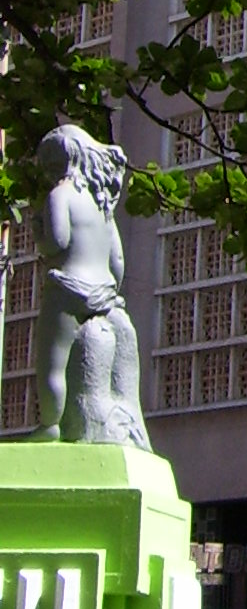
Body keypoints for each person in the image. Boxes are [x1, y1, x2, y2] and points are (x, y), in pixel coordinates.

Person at [32, 123, 149, 447]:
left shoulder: (60, 195)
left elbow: (57, 242)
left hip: (68, 290)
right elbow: (118, 261)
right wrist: (109, 292)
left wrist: (38, 233)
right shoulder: (102, 205)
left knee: (52, 363)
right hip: (103, 293)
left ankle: (50, 424)